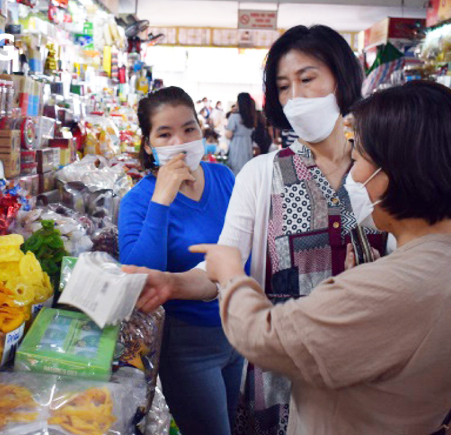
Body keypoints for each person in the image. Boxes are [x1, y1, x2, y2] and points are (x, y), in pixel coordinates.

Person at [191, 80, 451, 435]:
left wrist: (231, 275)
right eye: (285, 85)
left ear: (395, 174)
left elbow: (264, 337)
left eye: (359, 160)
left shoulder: (393, 285)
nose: (354, 177)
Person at [125, 25, 386, 435]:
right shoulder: (261, 174)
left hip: (367, 364)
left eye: (307, 78)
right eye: (283, 86)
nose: (295, 97)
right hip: (281, 367)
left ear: (342, 78)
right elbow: (224, 263)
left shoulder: (379, 170)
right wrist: (172, 284)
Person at [118, 87, 244, 435]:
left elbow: (242, 250)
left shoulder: (224, 178)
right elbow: (137, 282)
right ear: (148, 144)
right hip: (187, 347)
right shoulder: (138, 201)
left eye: (189, 129)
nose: (181, 140)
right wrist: (162, 198)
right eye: (165, 133)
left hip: (238, 333)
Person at [226, 93, 256, 175]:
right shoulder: (251, 116)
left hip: (237, 145)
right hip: (247, 145)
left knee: (236, 169)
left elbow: (228, 135)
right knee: (246, 170)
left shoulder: (234, 116)